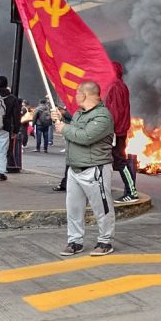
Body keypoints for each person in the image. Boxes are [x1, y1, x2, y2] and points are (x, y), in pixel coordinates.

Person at [51, 81, 117, 256]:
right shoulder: (79, 114)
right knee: (73, 209)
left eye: (77, 93)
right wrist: (62, 119)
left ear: (84, 95)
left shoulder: (103, 116)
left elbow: (86, 137)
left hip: (95, 169)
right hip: (75, 169)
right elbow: (74, 131)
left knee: (102, 208)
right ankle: (75, 241)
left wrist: (64, 127)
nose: (75, 96)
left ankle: (105, 241)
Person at [106, 61, 138, 203]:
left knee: (120, 161)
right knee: (115, 161)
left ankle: (131, 192)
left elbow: (115, 111)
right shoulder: (120, 85)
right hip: (118, 130)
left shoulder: (115, 86)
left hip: (116, 131)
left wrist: (110, 130)